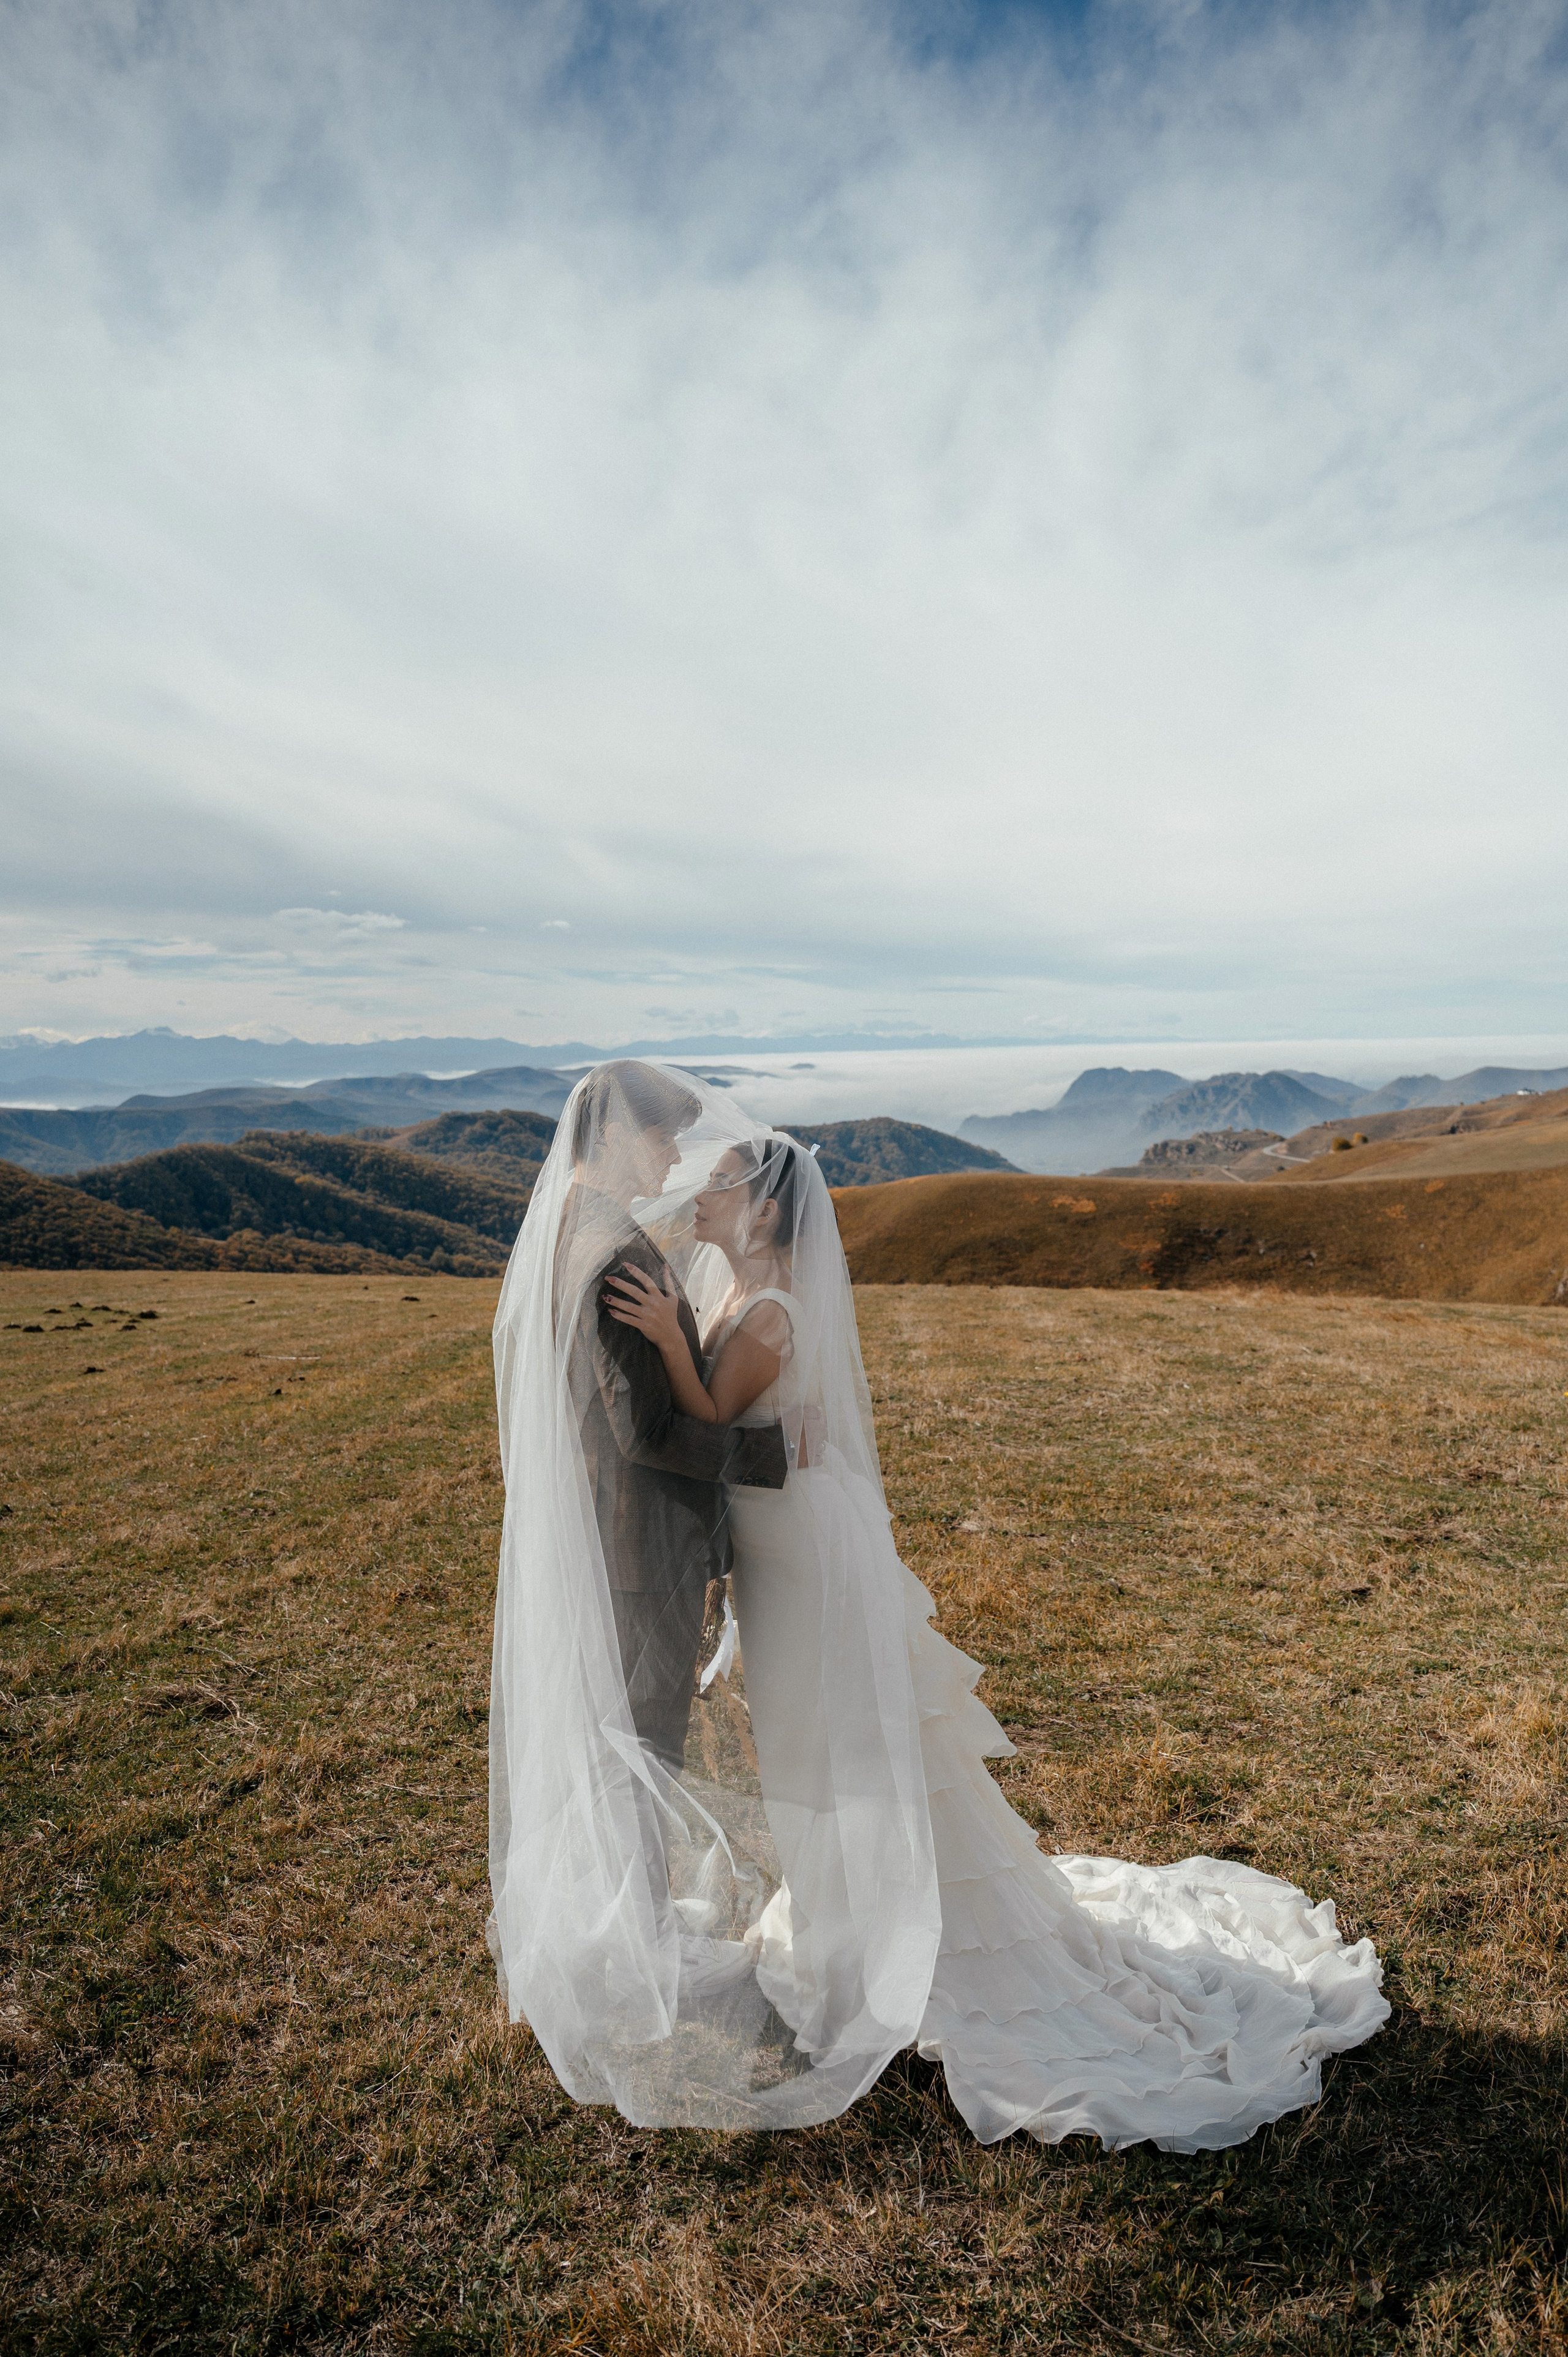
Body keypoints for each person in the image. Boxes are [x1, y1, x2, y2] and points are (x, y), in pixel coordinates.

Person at [491, 1063, 1389, 2146]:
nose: (693, 1187)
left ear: (767, 1206)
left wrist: (700, 1366)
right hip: (770, 1537)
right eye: (687, 1160)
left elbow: (702, 1406)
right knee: (810, 1749)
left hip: (803, 1547)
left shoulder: (753, 1298)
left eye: (721, 1180)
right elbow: (682, 1415)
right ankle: (852, 1925)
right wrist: (721, 1383)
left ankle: (901, 1940)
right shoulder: (696, 1275)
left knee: (845, 1743)